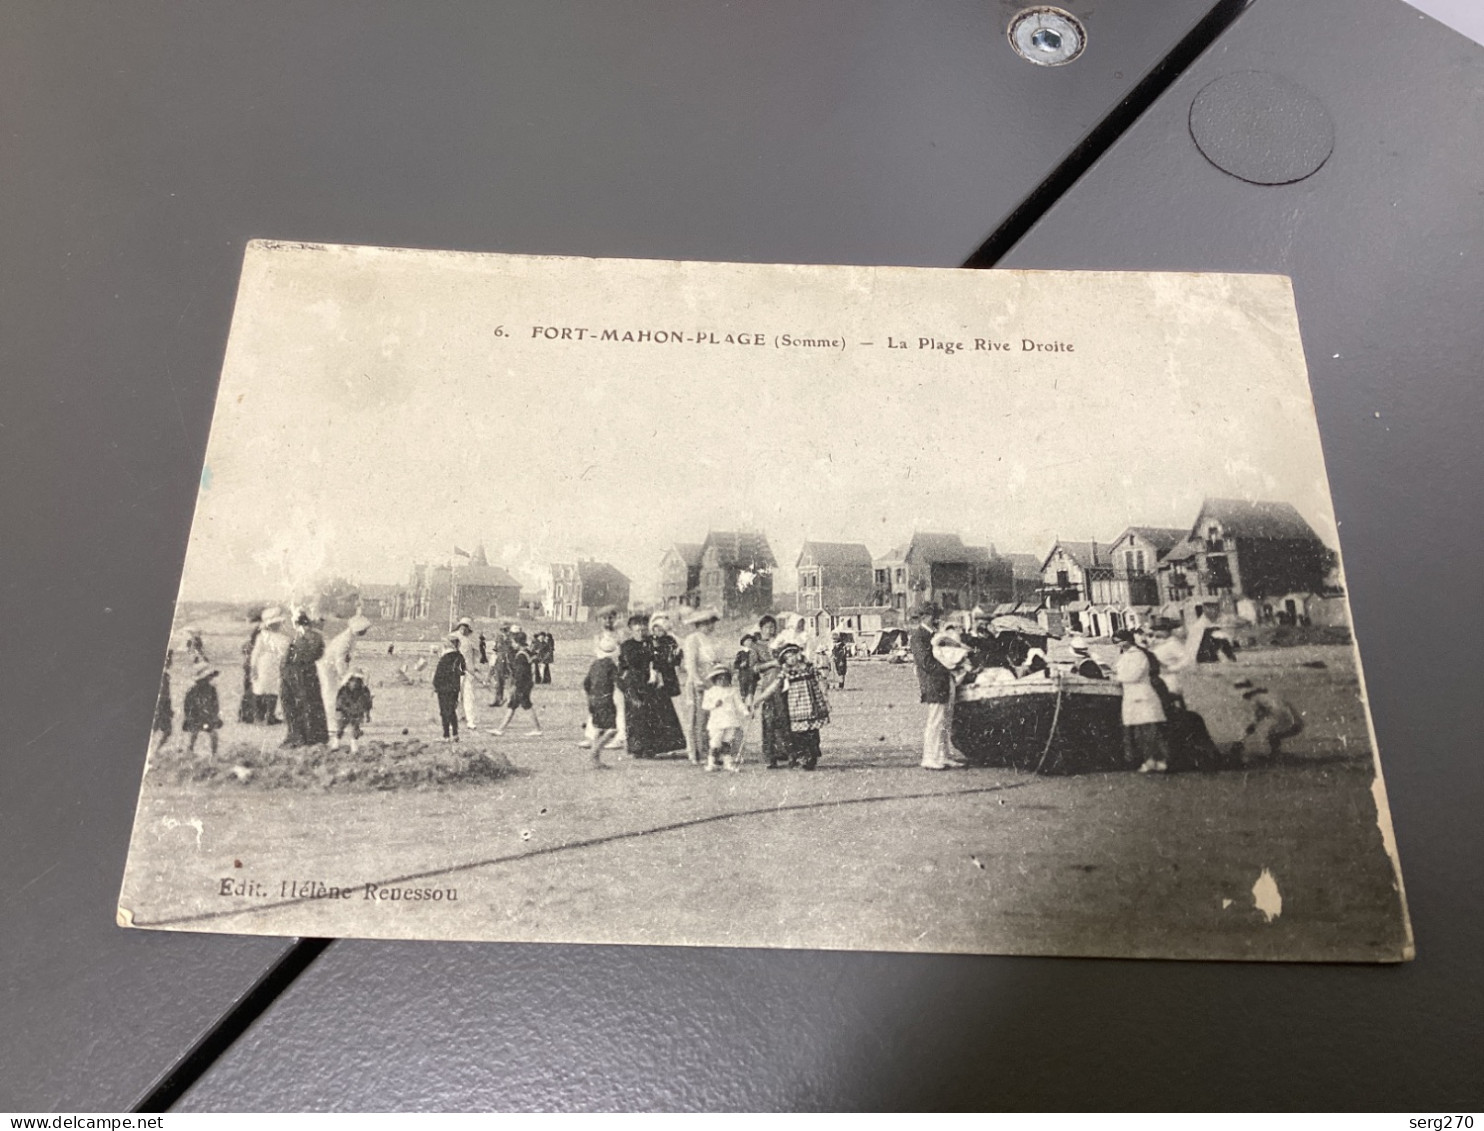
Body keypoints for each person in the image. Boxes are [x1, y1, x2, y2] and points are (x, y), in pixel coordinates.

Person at [911, 603, 964, 771]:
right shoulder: (919, 636)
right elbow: (926, 663)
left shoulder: (933, 634)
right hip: (933, 683)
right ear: (926, 616)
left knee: (945, 721)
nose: (937, 619)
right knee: (935, 722)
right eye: (934, 616)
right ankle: (930, 757)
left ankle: (943, 755)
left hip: (943, 682)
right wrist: (950, 666)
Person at [1112, 629, 1169, 773]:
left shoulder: (1138, 655)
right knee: (1139, 732)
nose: (1117, 644)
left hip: (1142, 695)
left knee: (1150, 730)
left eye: (1119, 641)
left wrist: (1117, 678)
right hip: (1131, 696)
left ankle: (1162, 760)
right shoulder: (1125, 656)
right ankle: (1149, 760)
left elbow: (1134, 675)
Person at [280, 610, 329, 747]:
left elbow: (310, 656)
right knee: (297, 704)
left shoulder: (311, 637)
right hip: (296, 674)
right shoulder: (304, 636)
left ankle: (304, 737)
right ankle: (301, 736)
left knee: (303, 705)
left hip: (301, 674)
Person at [778, 643, 830, 770]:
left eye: (793, 655)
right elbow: (775, 685)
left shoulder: (809, 667)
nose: (792, 659)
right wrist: (760, 699)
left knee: (812, 732)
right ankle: (803, 757)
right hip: (797, 706)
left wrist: (825, 697)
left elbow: (821, 680)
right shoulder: (786, 672)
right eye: (788, 657)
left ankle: (812, 756)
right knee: (799, 733)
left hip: (812, 704)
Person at [680, 607, 723, 764]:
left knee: (711, 716)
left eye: (711, 622)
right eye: (706, 623)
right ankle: (696, 752)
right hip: (699, 680)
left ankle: (709, 750)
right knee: (697, 717)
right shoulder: (693, 638)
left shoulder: (711, 639)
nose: (710, 626)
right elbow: (690, 662)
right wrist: (696, 679)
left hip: (711, 679)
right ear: (698, 624)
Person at [747, 615, 788, 768]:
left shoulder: (780, 643)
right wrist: (772, 663)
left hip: (784, 683)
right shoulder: (756, 647)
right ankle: (770, 755)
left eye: (773, 627)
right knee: (770, 718)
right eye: (768, 627)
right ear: (762, 628)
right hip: (769, 683)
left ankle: (785, 752)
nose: (771, 630)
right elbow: (754, 668)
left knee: (784, 717)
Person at [320, 614, 372, 732]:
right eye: (363, 630)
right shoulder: (344, 640)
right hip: (328, 667)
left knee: (334, 693)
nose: (365, 632)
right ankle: (331, 724)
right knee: (331, 693)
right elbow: (340, 660)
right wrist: (344, 676)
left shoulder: (351, 637)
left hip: (333, 666)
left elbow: (346, 658)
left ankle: (338, 720)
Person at [491, 629, 542, 736]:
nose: (512, 645)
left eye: (513, 642)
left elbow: (520, 674)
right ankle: (500, 729)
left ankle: (537, 729)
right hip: (527, 683)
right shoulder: (527, 652)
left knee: (525, 705)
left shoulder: (520, 656)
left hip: (521, 685)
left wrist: (515, 686)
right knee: (513, 705)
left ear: (517, 643)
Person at [702, 663, 750, 772]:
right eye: (719, 678)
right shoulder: (710, 691)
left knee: (727, 742)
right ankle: (711, 763)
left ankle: (727, 763)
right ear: (715, 679)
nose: (722, 681)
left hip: (730, 720)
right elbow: (705, 706)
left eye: (725, 678)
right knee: (715, 742)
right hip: (717, 721)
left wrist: (745, 712)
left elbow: (739, 704)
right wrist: (714, 705)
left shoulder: (733, 691)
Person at [582, 638, 620, 766]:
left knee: (598, 728)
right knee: (612, 729)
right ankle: (595, 752)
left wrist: (589, 697)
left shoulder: (595, 664)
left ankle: (596, 760)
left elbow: (586, 683)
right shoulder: (611, 665)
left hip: (593, 699)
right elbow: (618, 681)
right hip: (606, 699)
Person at [249, 607, 288, 723]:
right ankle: (258, 716)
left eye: (278, 623)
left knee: (274, 689)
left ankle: (269, 715)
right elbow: (256, 653)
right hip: (263, 663)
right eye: (275, 623)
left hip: (277, 664)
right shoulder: (262, 636)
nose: (277, 625)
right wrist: (253, 667)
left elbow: (286, 654)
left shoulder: (284, 638)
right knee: (260, 688)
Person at [182, 659, 223, 757]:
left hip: (208, 716)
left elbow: (215, 704)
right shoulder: (193, 691)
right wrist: (189, 716)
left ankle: (214, 753)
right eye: (209, 677)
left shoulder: (211, 689)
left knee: (213, 734)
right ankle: (190, 749)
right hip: (196, 716)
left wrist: (215, 714)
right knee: (194, 733)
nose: (210, 679)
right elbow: (187, 705)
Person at [432, 633, 467, 742]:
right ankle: (455, 734)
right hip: (455, 688)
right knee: (452, 710)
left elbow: (438, 674)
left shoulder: (444, 658)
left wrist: (435, 685)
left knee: (444, 711)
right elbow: (462, 672)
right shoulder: (460, 657)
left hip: (443, 688)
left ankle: (446, 735)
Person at [333, 669, 373, 754]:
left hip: (356, 711)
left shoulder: (364, 690)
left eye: (358, 681)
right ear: (349, 681)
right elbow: (339, 703)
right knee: (340, 728)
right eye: (354, 681)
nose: (356, 683)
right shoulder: (343, 690)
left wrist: (367, 714)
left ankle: (354, 747)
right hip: (344, 711)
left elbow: (367, 703)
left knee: (355, 729)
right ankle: (336, 744)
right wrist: (347, 710)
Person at [453, 617, 482, 729]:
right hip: (455, 671)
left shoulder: (473, 639)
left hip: (468, 671)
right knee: (455, 696)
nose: (463, 629)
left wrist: (475, 667)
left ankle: (471, 720)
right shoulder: (454, 637)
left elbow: (476, 655)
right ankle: (455, 719)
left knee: (469, 696)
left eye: (466, 627)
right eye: (461, 626)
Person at [149, 650, 174, 759]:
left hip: (163, 704)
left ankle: (154, 751)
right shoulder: (164, 676)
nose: (171, 662)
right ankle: (155, 751)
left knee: (158, 730)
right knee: (165, 731)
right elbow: (164, 694)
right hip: (162, 705)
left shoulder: (164, 675)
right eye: (169, 660)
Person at [238, 611, 262, 723]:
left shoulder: (256, 631)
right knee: (251, 688)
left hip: (249, 662)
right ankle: (247, 715)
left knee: (249, 687)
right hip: (253, 662)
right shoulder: (259, 631)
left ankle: (246, 715)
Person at [488, 623, 514, 706]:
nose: (504, 632)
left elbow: (512, 650)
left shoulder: (511, 639)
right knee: (499, 681)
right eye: (503, 630)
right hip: (500, 660)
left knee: (511, 682)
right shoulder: (499, 638)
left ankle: (510, 699)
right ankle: (498, 699)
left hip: (508, 661)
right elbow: (495, 649)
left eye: (506, 630)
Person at [735, 632, 759, 699]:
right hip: (743, 675)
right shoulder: (740, 653)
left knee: (751, 691)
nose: (750, 642)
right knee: (743, 692)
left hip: (753, 675)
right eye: (748, 640)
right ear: (744, 642)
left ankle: (749, 705)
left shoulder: (755, 653)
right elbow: (736, 664)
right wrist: (741, 665)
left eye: (751, 641)